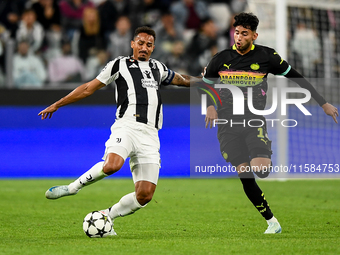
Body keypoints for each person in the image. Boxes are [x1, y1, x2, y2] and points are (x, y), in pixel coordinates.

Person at [39, 26, 194, 234]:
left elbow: (182, 80)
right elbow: (88, 88)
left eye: (149, 45)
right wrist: (58, 103)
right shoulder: (119, 65)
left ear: (153, 47)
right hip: (127, 126)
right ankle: (73, 187)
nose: (144, 48)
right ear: (132, 44)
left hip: (150, 134)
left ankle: (105, 216)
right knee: (112, 165)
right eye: (140, 43)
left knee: (145, 196)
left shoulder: (158, 67)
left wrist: (206, 82)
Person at [202, 12, 338, 234]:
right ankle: (272, 222)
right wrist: (209, 106)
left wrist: (322, 103)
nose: (239, 37)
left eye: (244, 34)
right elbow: (206, 85)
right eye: (236, 32)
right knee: (245, 173)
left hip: (254, 121)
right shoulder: (220, 58)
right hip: (227, 126)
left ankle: (260, 150)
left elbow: (297, 77)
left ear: (254, 35)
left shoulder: (267, 57)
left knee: (261, 170)